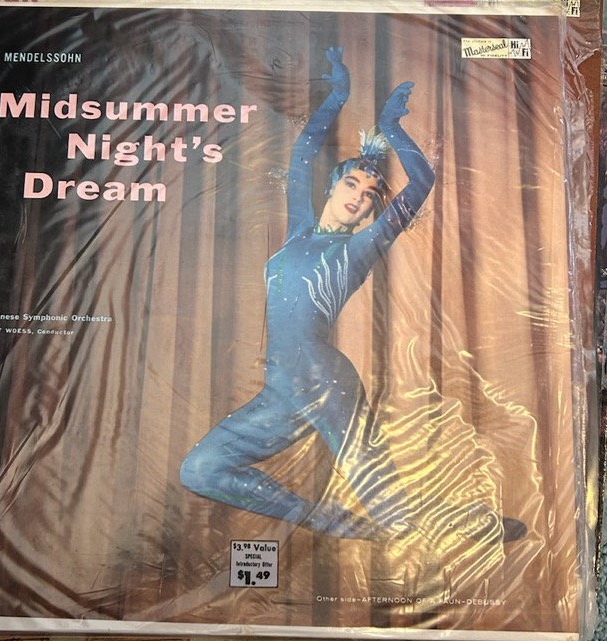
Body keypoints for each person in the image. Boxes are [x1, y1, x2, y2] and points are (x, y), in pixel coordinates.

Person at [181, 47, 525, 544]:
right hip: (279, 392)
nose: (358, 196)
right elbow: (303, 155)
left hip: (327, 384)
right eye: (351, 183)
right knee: (201, 469)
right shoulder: (298, 232)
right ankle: (334, 522)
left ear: (369, 214)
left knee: (395, 515)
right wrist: (337, 97)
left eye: (369, 195)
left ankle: (477, 523)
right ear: (331, 187)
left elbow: (422, 182)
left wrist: (391, 126)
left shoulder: (360, 247)